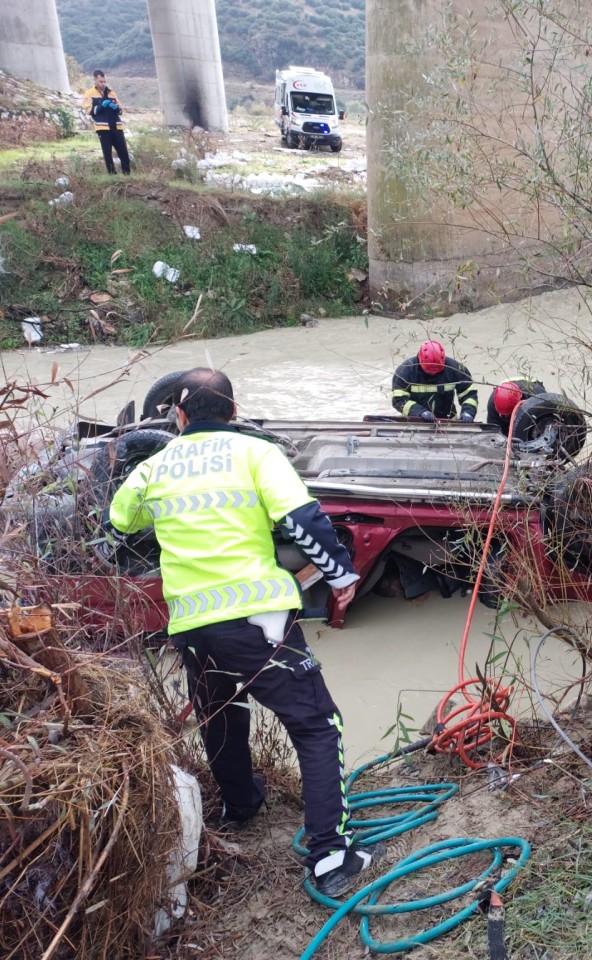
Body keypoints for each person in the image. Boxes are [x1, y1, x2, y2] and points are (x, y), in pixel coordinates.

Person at [108, 368, 380, 898]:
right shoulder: (258, 455)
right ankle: (329, 855)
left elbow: (118, 524)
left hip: (191, 627)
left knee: (221, 715)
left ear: (179, 416)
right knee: (317, 726)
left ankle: (240, 805)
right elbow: (303, 522)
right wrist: (343, 577)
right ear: (233, 412)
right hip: (260, 621)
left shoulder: (156, 466)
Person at [391, 340, 478, 422]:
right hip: (417, 422)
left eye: (437, 371)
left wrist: (468, 412)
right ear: (420, 361)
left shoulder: (455, 369)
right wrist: (419, 412)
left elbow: (469, 394)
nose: (433, 373)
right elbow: (398, 400)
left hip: (448, 421)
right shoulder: (405, 371)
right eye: (429, 371)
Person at [82, 69, 131, 175]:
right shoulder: (89, 93)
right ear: (95, 80)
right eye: (101, 81)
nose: (103, 84)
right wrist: (101, 106)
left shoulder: (111, 93)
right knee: (107, 154)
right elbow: (89, 110)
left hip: (117, 127)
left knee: (123, 152)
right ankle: (112, 176)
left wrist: (116, 108)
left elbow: (121, 110)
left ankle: (127, 175)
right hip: (103, 128)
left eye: (104, 81)